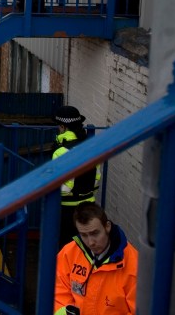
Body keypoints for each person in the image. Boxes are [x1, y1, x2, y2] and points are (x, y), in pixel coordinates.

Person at [54, 203, 138, 315]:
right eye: (84, 235)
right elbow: (58, 293)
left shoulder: (133, 264)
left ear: (107, 226)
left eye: (95, 233)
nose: (91, 242)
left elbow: (139, 310)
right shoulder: (68, 253)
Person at [52, 105, 101, 246]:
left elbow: (64, 188)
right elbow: (96, 178)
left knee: (65, 249)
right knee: (85, 248)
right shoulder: (91, 147)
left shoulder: (61, 151)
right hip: (88, 206)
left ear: (63, 127)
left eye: (58, 126)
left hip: (67, 210)